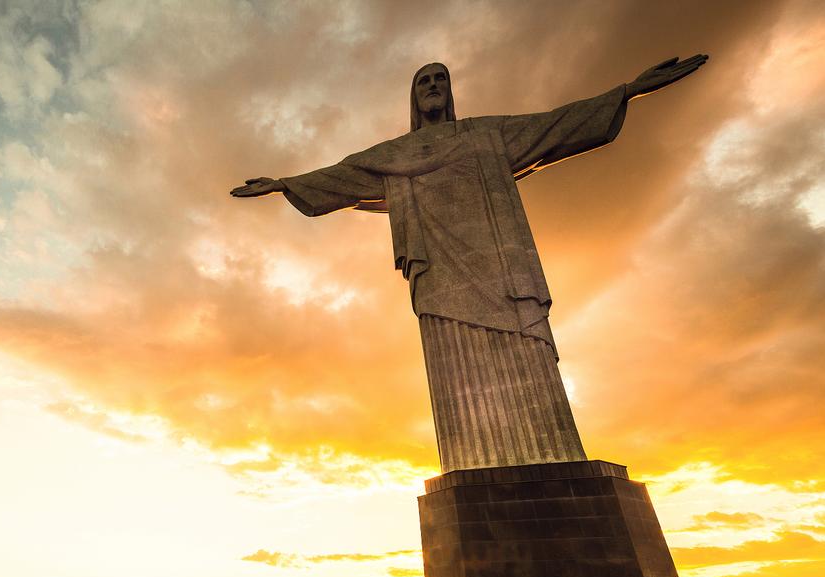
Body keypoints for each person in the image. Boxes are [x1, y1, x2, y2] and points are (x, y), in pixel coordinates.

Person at [231, 56, 707, 473]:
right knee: (457, 374)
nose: (433, 86)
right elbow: (343, 174)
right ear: (414, 97)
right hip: (440, 279)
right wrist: (284, 183)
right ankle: (474, 462)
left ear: (450, 89)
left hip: (503, 272)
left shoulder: (486, 134)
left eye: (440, 78)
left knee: (529, 358)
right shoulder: (394, 154)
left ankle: (554, 454)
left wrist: (629, 90)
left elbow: (555, 124)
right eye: (424, 81)